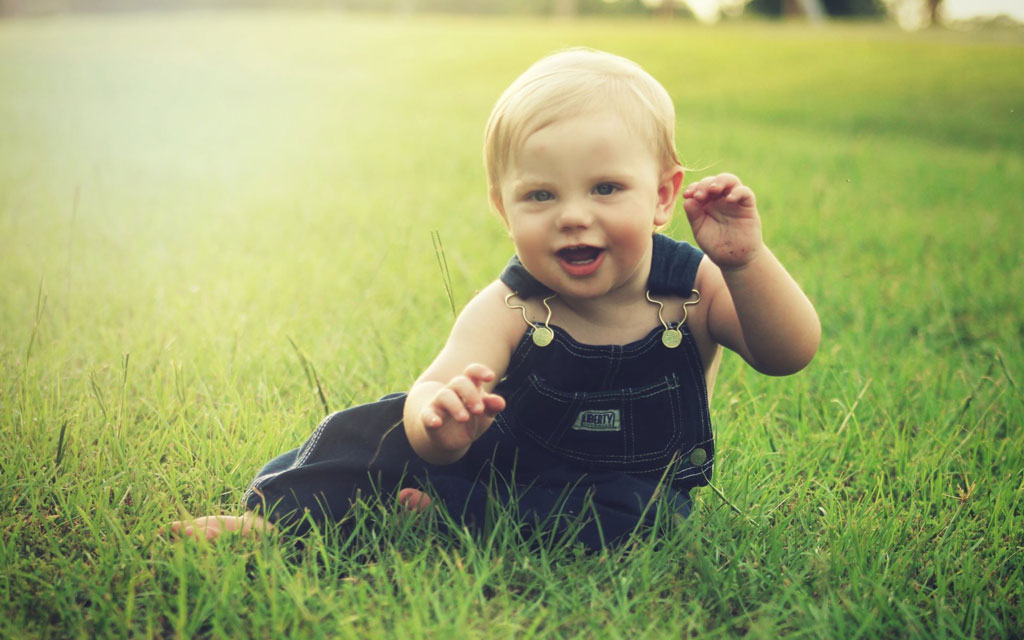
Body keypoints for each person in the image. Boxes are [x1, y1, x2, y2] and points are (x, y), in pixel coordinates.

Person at [170, 48, 820, 548]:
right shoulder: (509, 306)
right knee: (378, 426)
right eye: (541, 195)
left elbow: (787, 352)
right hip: (503, 460)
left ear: (661, 196)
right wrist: (440, 424)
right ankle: (279, 518)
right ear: (502, 209)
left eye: (605, 188)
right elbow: (438, 384)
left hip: (626, 492)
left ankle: (446, 514)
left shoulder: (697, 286)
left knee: (636, 521)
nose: (572, 215)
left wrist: (747, 262)